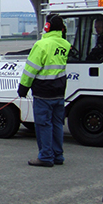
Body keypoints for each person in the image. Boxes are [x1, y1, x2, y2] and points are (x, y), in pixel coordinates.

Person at [18, 14, 71, 167]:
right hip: (59, 91)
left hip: (43, 92)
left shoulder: (41, 45)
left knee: (43, 125)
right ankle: (57, 155)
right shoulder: (65, 45)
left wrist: (23, 88)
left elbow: (30, 69)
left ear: (47, 27)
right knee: (57, 124)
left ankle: (46, 156)